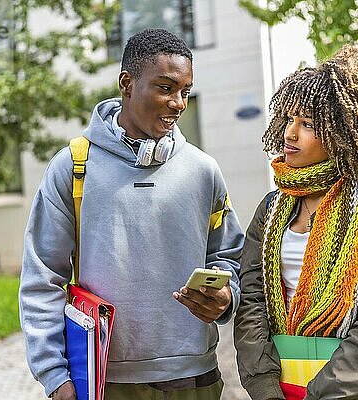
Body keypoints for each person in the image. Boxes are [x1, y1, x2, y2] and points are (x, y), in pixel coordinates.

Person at [19, 28, 244, 400]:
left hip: (195, 378)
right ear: (127, 83)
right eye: (165, 88)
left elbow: (229, 257)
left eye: (185, 91)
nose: (179, 103)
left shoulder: (204, 171)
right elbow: (41, 279)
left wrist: (226, 298)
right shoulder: (74, 166)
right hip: (106, 380)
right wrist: (55, 375)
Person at [233, 45, 358, 400]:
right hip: (280, 385)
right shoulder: (272, 206)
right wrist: (264, 386)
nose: (290, 133)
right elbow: (252, 304)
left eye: (307, 124)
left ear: (344, 134)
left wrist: (320, 393)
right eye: (288, 120)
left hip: (352, 388)